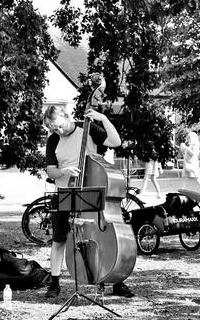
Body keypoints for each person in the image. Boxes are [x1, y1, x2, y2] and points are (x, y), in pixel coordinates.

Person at [43, 105, 134, 299]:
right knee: (59, 239)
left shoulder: (88, 128)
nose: (58, 131)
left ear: (67, 116)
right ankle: (55, 282)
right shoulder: (53, 140)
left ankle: (116, 278)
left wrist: (102, 118)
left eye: (59, 126)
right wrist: (64, 172)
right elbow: (51, 171)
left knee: (104, 235)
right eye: (54, 129)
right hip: (65, 191)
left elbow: (115, 142)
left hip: (92, 188)